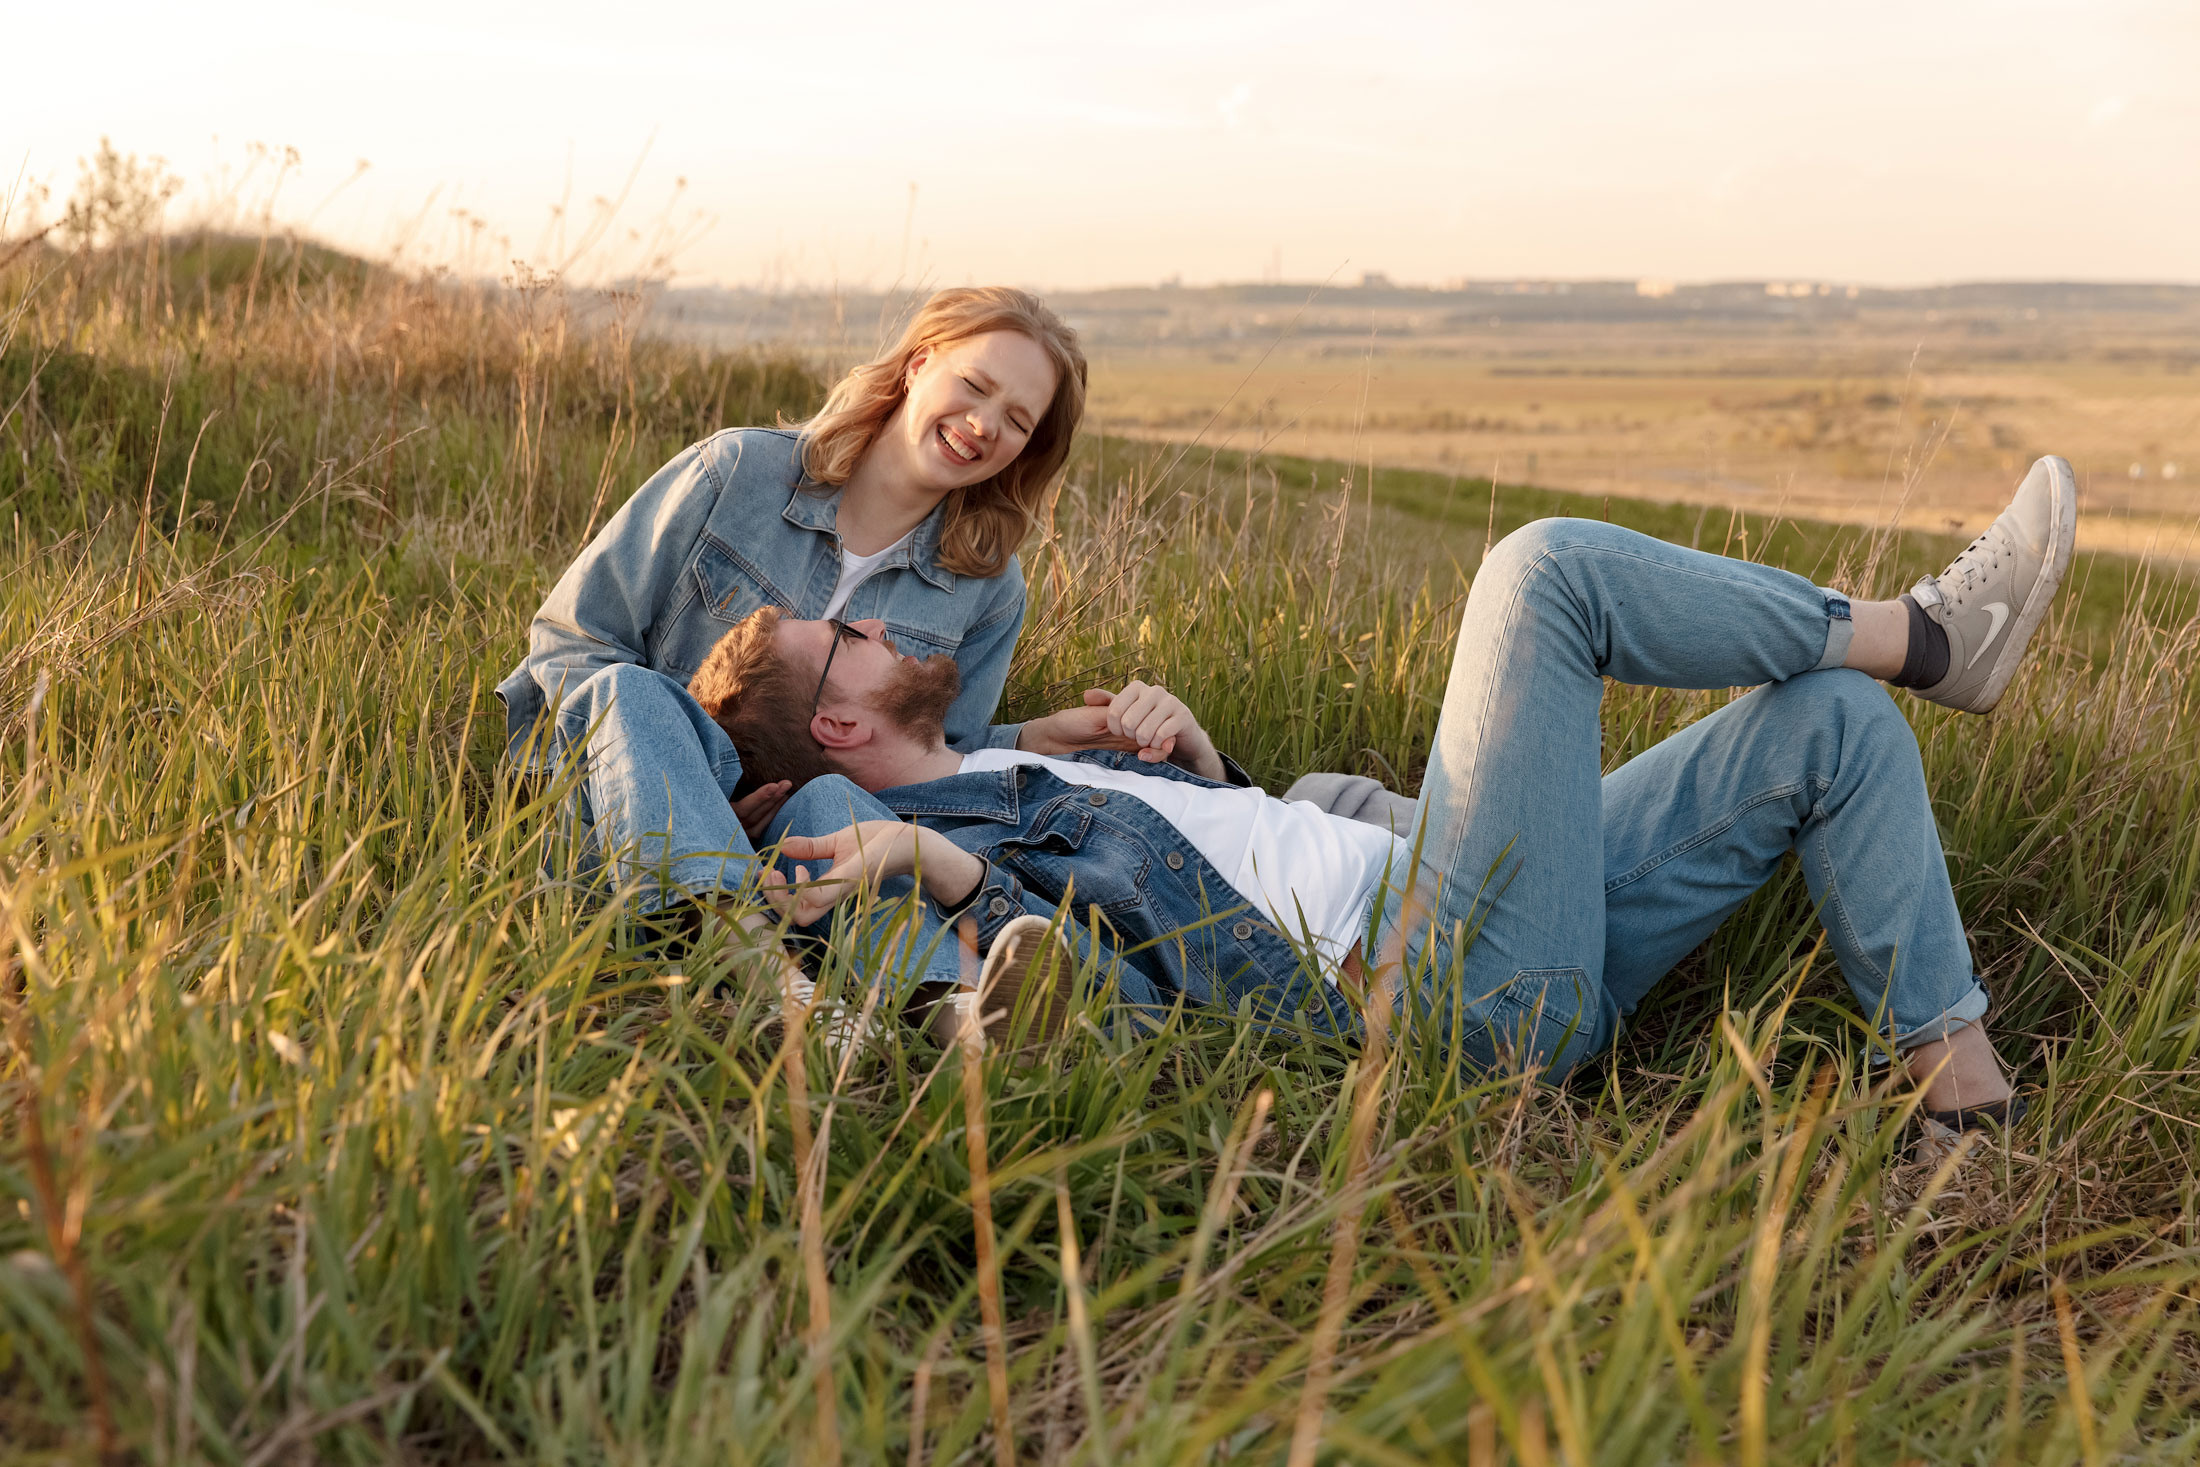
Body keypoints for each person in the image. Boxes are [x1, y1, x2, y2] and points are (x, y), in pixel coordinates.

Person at [695, 457, 2081, 1128]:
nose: (888, 623)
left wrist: (1204, 761)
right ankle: (1932, 636)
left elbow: (1245, 848)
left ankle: (1963, 1107)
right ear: (834, 717)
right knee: (1540, 573)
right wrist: (930, 870)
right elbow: (1048, 992)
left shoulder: (1026, 759)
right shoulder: (937, 832)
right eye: (856, 635)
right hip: (1430, 982)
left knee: (1829, 719)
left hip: (1503, 916)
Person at [498, 287, 1154, 980]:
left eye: (1018, 420)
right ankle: (757, 964)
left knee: (841, 810)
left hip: (810, 868)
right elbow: (573, 643)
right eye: (974, 385)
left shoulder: (988, 588)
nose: (985, 424)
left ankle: (956, 1010)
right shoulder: (738, 473)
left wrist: (1026, 739)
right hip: (630, 820)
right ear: (918, 364)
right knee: (627, 690)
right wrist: (697, 789)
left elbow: (930, 770)